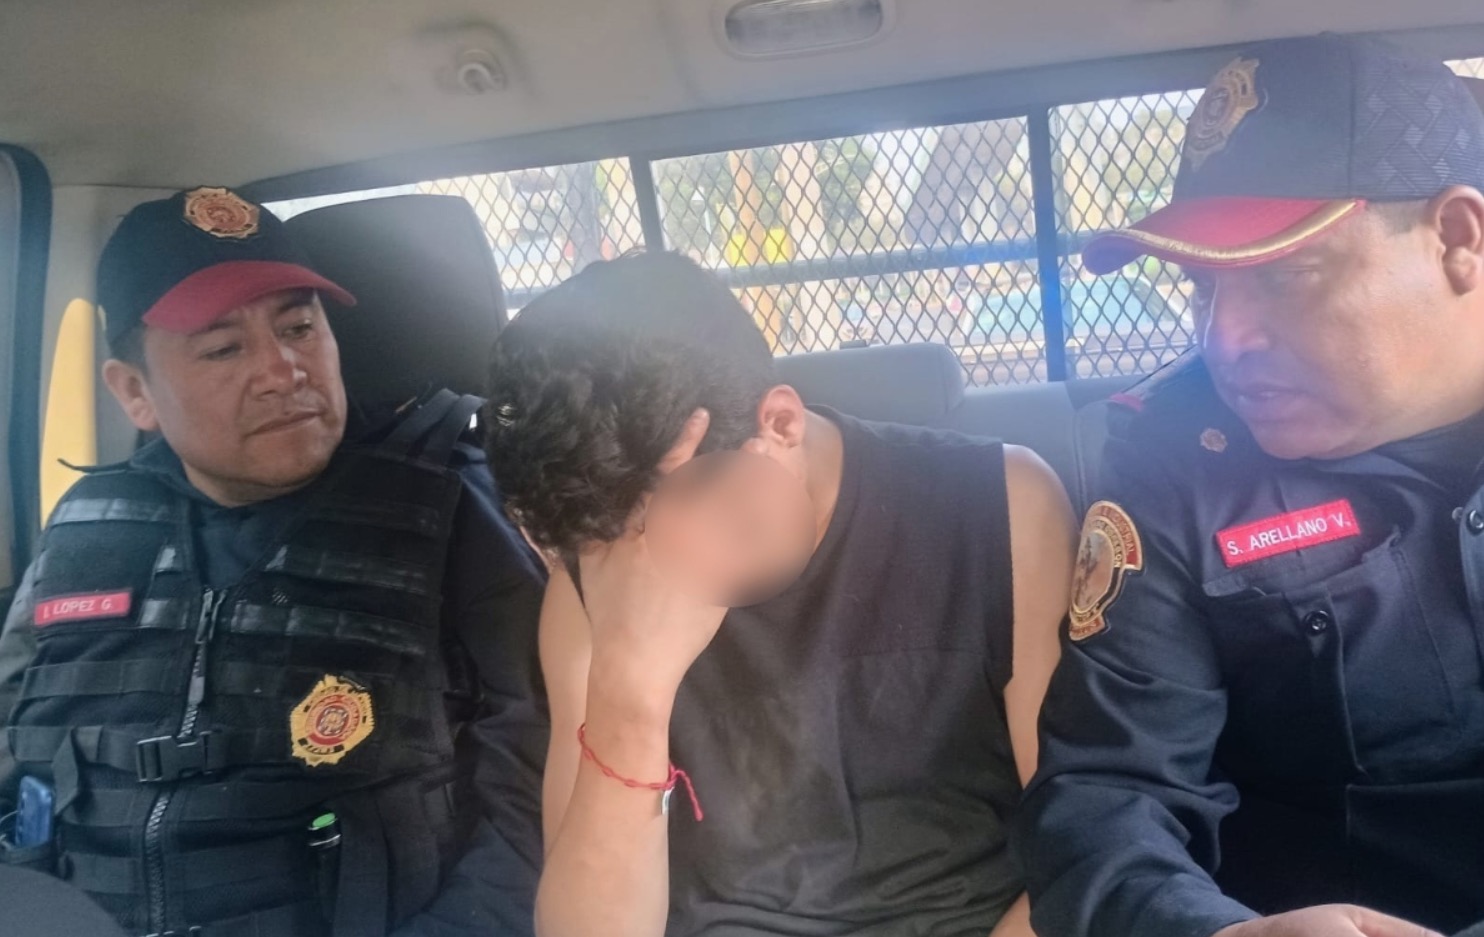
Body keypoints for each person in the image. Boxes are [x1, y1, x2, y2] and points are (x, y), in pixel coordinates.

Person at [1017, 34, 1484, 937]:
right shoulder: (1178, 457)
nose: (1223, 340)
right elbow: (1106, 793)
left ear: (1458, 240)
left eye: (1286, 275)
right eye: (1201, 288)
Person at [0, 187, 548, 937]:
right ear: (134, 392)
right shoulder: (87, 528)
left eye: (299, 327)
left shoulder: (450, 507)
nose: (284, 370)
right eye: (224, 348)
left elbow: (538, 795)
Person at [482, 251, 1077, 937]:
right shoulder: (591, 583)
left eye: (654, 523)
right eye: (605, 544)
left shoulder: (1000, 509)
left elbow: (1084, 844)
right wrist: (630, 695)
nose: (639, 564)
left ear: (781, 425)